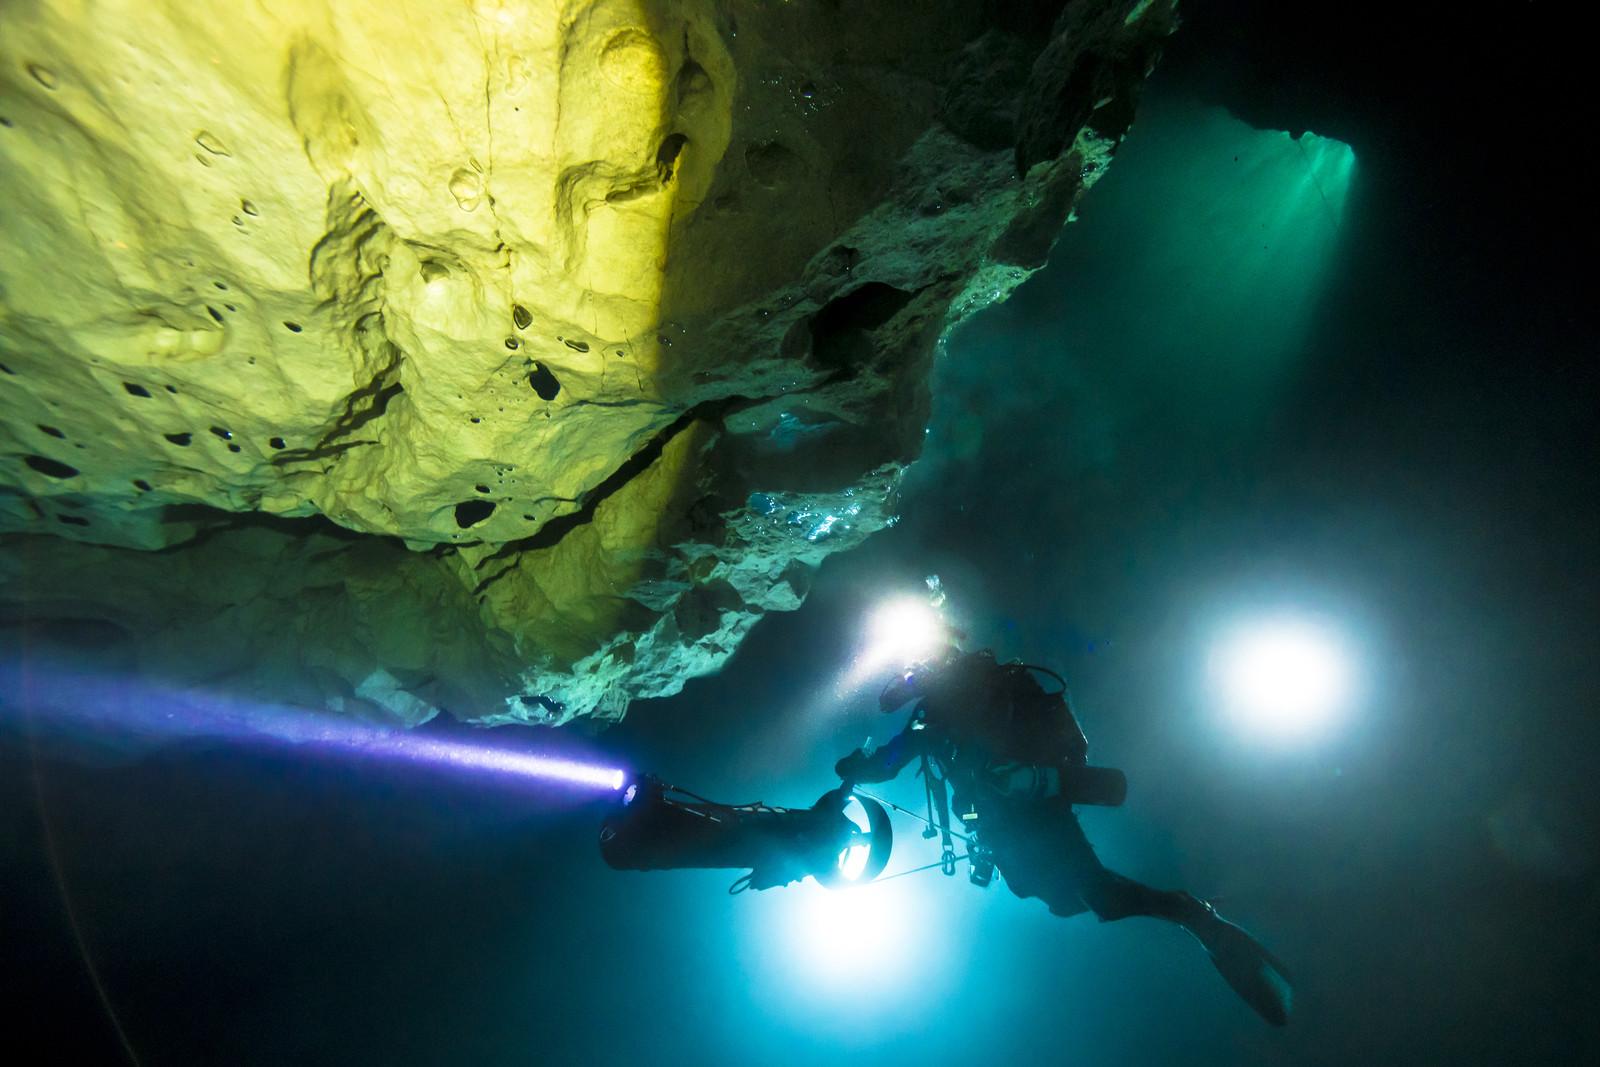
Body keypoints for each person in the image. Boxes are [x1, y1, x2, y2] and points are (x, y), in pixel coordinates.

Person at [833, 646, 1295, 1027]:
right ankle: (1188, 913)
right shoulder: (933, 715)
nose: (914, 683)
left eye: (919, 674)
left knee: (1096, 896)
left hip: (1037, 811)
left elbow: (1067, 751)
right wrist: (860, 768)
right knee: (1056, 896)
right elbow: (895, 756)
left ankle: (1193, 915)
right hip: (1003, 825)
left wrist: (1035, 779)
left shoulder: (991, 693)